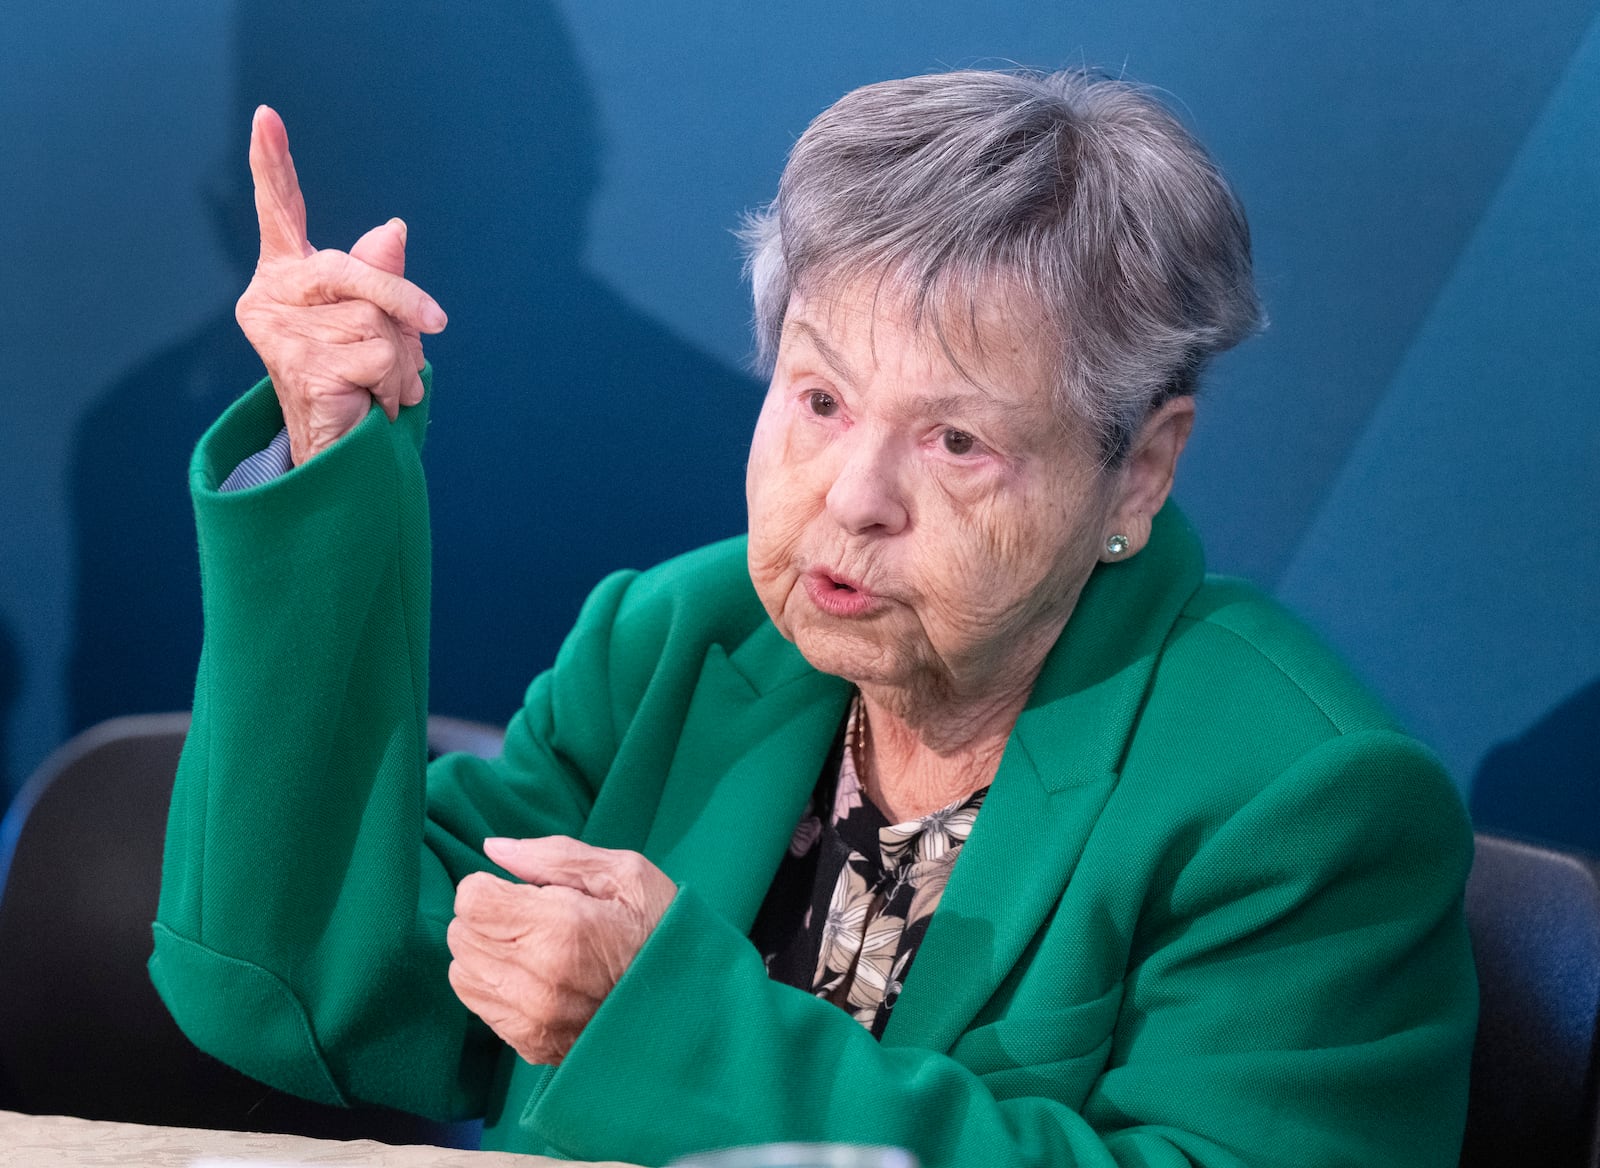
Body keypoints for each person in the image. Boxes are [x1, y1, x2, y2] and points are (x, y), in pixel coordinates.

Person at [151, 69, 1477, 1167]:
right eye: (821, 401)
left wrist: (665, 1021)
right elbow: (317, 986)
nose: (854, 498)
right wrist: (334, 464)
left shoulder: (1305, 801)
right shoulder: (682, 637)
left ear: (1140, 465)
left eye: (956, 441)